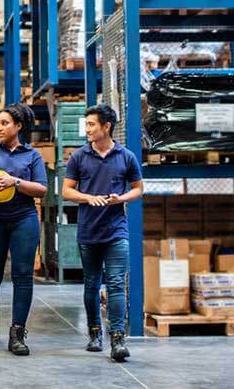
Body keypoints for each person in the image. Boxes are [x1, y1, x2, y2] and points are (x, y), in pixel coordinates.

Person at [62, 104, 143, 363]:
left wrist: (121, 198)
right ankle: (95, 333)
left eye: (91, 124)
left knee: (117, 284)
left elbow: (138, 189)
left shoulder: (126, 156)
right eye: (86, 125)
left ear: (106, 127)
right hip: (88, 231)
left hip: (116, 231)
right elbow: (67, 191)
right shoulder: (79, 157)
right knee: (92, 284)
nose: (86, 129)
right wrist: (88, 198)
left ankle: (118, 338)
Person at [0, 103, 47, 356]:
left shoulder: (32, 156)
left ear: (18, 126)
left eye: (4, 123)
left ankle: (17, 332)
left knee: (22, 275)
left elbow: (41, 189)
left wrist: (13, 181)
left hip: (24, 219)